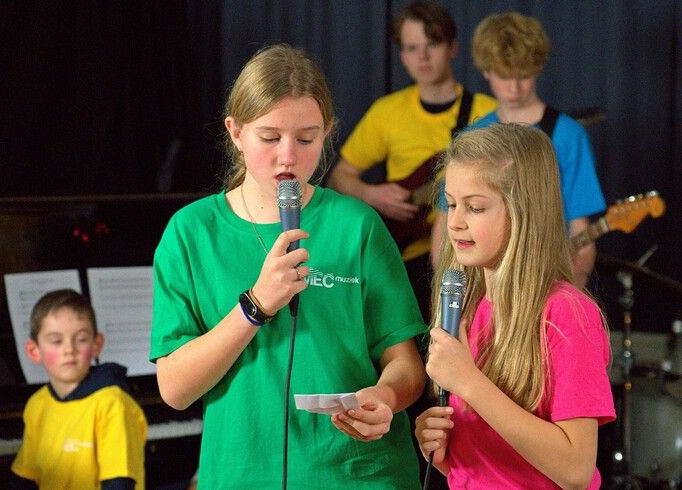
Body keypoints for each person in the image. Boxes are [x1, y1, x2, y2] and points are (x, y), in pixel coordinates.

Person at [150, 44, 426, 489]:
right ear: (235, 132)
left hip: (357, 473)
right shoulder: (191, 233)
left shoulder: (357, 226)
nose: (288, 157)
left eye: (306, 138)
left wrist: (387, 396)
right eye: (270, 137)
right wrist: (255, 305)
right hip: (243, 474)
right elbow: (176, 389)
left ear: (328, 133)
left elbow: (406, 364)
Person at [415, 123, 616, 489]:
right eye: (452, 204)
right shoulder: (467, 306)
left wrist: (470, 382)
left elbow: (574, 470)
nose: (455, 223)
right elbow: (494, 464)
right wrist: (443, 446)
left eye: (475, 208)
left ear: (524, 211)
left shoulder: (566, 315)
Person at [327, 1, 497, 323]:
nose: (423, 56)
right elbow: (340, 177)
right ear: (402, 56)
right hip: (404, 256)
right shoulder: (387, 111)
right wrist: (372, 195)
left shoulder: (487, 112)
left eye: (432, 44)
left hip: (469, 256)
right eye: (412, 48)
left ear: (452, 47)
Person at [463, 11, 606, 288]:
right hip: (483, 284)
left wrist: (567, 295)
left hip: (545, 281)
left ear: (538, 68)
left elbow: (581, 232)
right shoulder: (474, 136)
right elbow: (448, 223)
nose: (514, 87)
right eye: (505, 75)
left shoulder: (567, 135)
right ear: (486, 70)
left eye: (524, 75)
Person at [10, 289, 148, 489]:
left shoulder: (113, 404)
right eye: (56, 341)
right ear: (34, 350)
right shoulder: (37, 405)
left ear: (96, 345)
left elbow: (120, 483)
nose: (69, 350)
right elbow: (24, 477)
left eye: (81, 339)